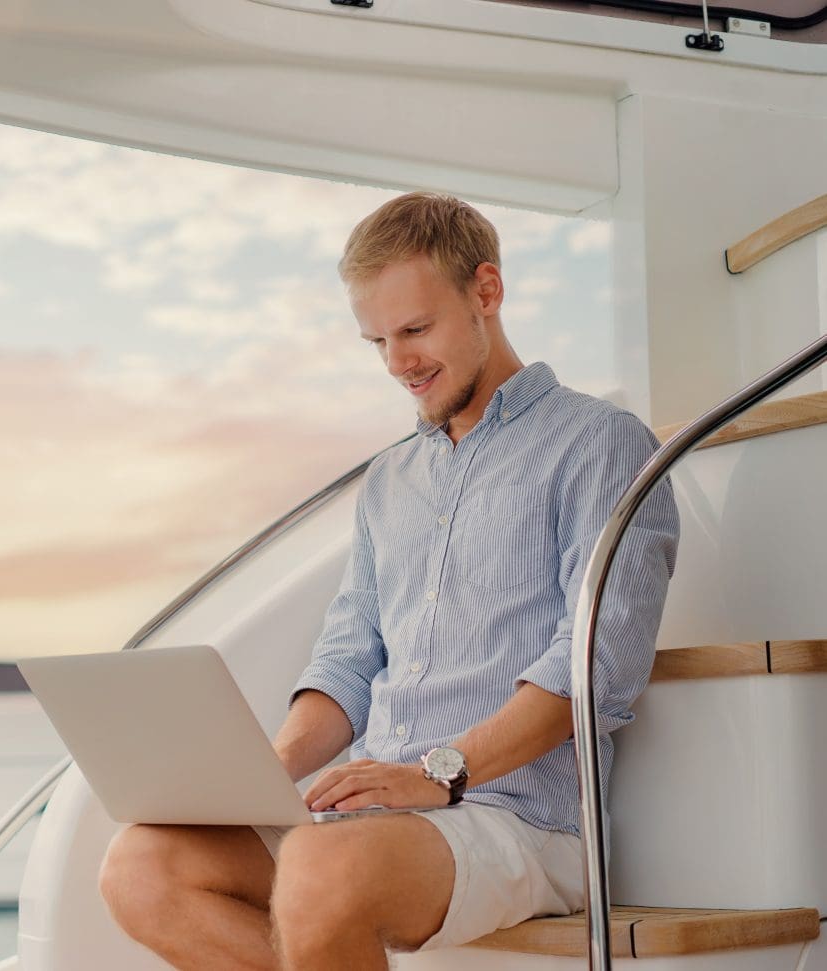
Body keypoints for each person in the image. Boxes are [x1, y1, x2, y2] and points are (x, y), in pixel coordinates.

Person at [98, 191, 680, 970]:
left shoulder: (601, 443)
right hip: (373, 812)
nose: (398, 362)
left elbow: (592, 668)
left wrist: (434, 773)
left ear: (486, 291)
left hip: (518, 817)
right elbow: (347, 657)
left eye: (415, 329)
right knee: (140, 866)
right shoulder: (389, 479)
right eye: (377, 340)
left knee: (318, 869)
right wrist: (263, 776)